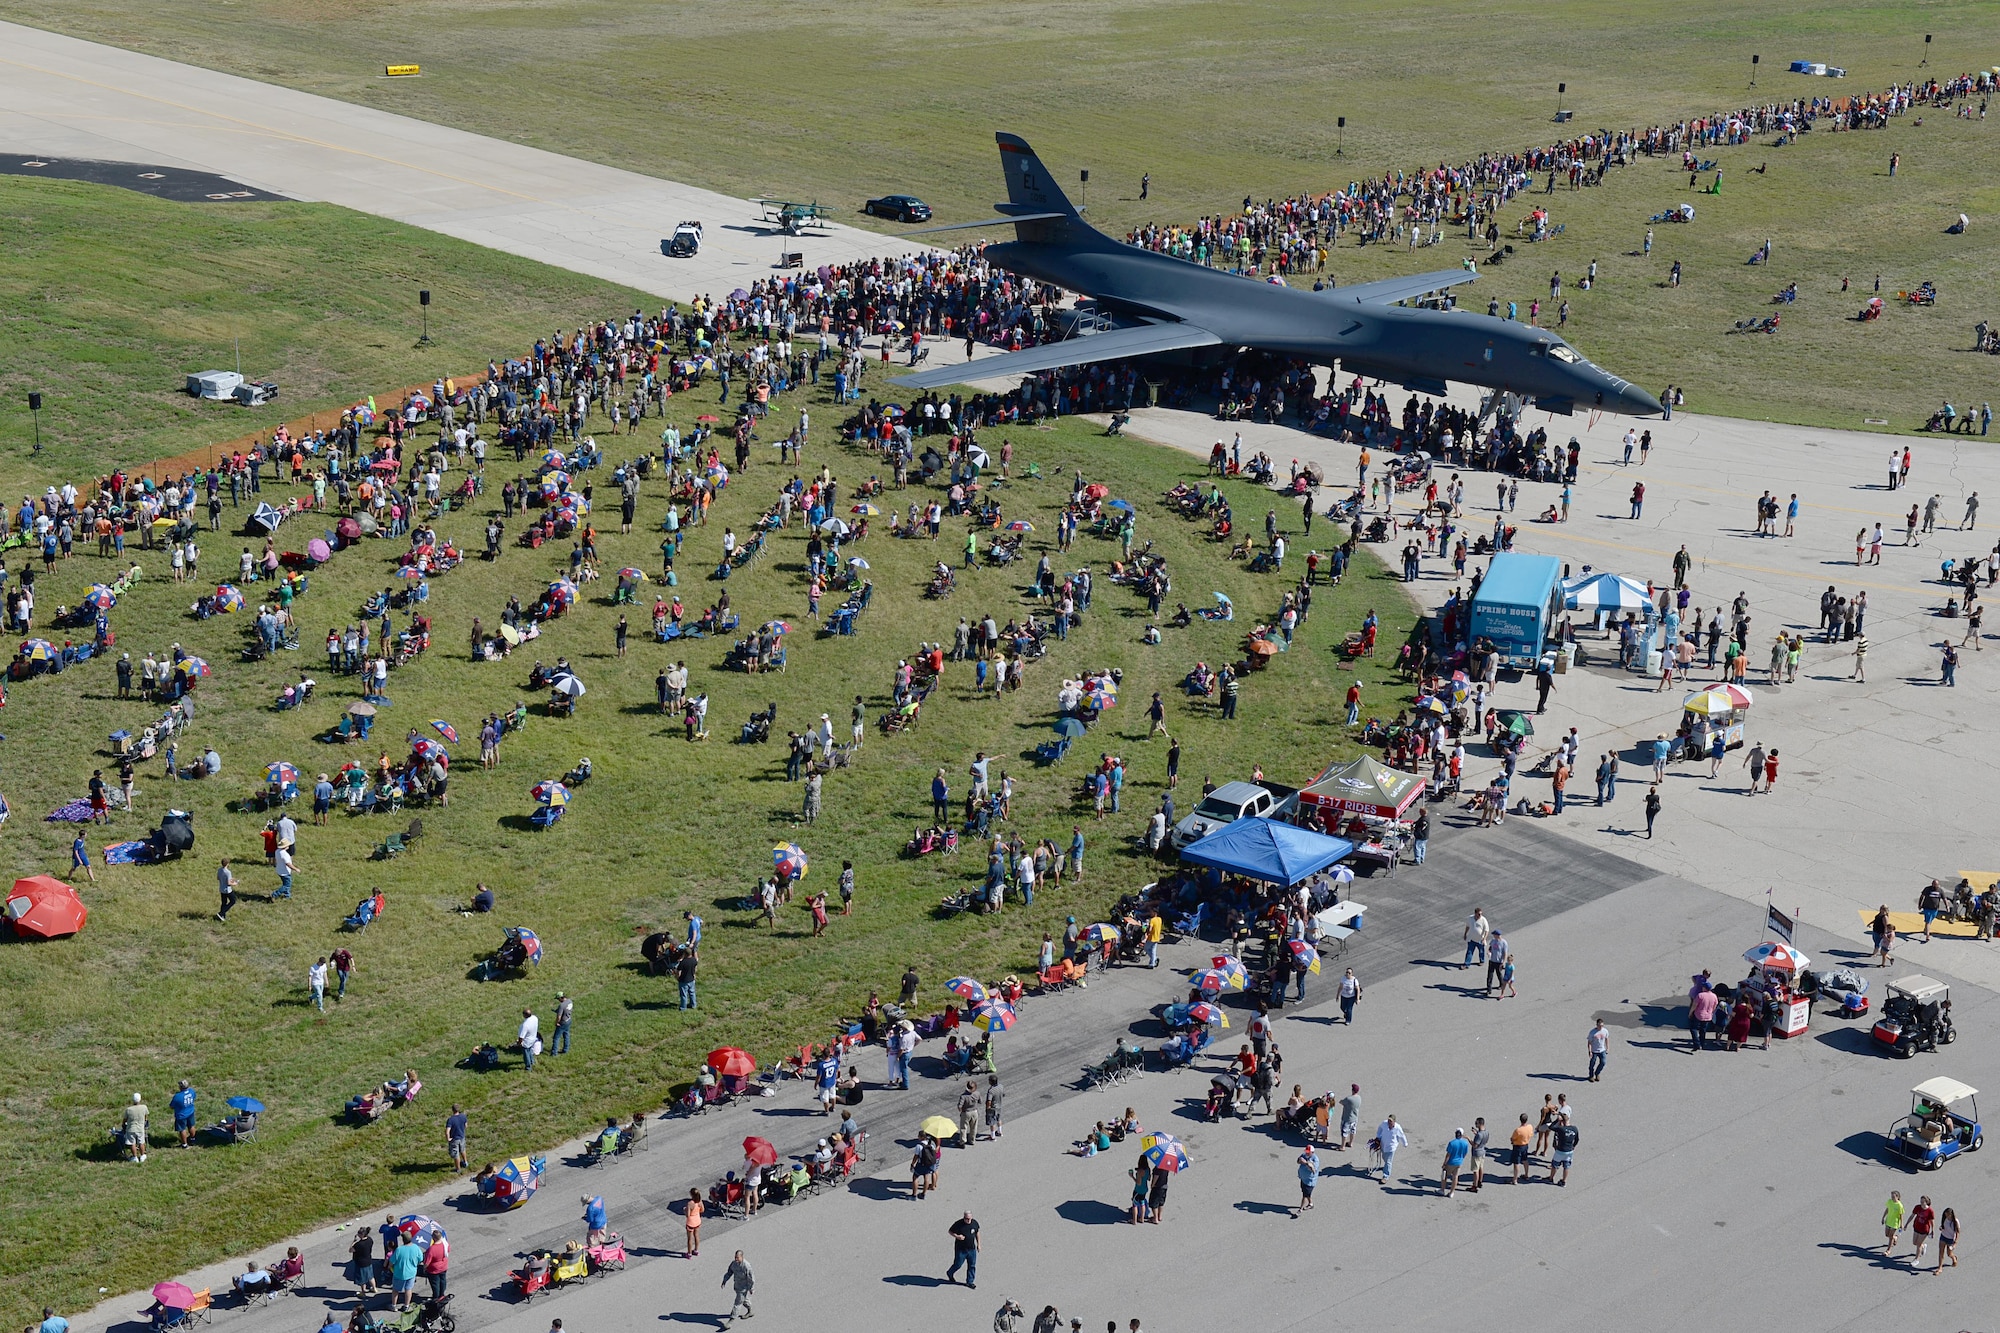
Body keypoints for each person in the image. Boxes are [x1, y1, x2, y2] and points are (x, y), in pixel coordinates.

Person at [947, 1211, 981, 1288]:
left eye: (969, 1219)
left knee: (972, 1265)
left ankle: (970, 1282)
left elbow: (977, 1233)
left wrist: (979, 1244)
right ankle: (950, 1272)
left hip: (972, 1249)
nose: (968, 1220)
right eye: (966, 1219)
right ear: (964, 1217)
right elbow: (950, 1231)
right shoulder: (958, 1224)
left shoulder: (974, 1223)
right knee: (957, 1264)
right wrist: (957, 1236)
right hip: (961, 1249)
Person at [721, 1251, 754, 1322]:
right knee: (743, 1300)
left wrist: (751, 1288)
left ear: (742, 1257)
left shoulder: (746, 1266)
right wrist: (724, 1280)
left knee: (737, 1303)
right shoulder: (734, 1264)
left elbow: (751, 1278)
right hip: (737, 1286)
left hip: (744, 1288)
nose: (736, 1259)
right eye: (735, 1257)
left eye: (737, 1257)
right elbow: (729, 1272)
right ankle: (750, 1311)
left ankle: (731, 1320)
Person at [1374, 1114, 1407, 1183]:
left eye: (1391, 1121)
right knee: (1385, 1158)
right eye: (1389, 1120)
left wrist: (1405, 1143)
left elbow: (1402, 1136)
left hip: (1391, 1148)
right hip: (1383, 1145)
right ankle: (1386, 1167)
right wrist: (1378, 1136)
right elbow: (1380, 1129)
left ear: (1394, 1121)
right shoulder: (1384, 1123)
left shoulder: (1397, 1128)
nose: (1389, 1122)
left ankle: (1385, 1176)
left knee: (1388, 1162)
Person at [1547, 1112, 1577, 1185]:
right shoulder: (1574, 1129)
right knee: (1566, 1166)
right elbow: (1577, 1139)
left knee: (1555, 1165)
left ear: (1562, 1121)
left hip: (1560, 1151)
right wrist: (1573, 1146)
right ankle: (1563, 1181)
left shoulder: (1561, 1129)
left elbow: (1550, 1127)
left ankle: (1551, 1178)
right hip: (1569, 1151)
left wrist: (1557, 1121)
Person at [1439, 1128, 1471, 1196]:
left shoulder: (1452, 1143)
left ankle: (1442, 1190)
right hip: (1459, 1163)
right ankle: (1451, 1192)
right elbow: (1465, 1153)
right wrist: (1461, 1159)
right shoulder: (1465, 1143)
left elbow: (1448, 1155)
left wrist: (1444, 1164)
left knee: (1444, 1176)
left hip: (1450, 1163)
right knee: (1455, 1177)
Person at [1296, 1144, 1321, 1212]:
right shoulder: (1304, 1155)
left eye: (1308, 1152)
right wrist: (1300, 1160)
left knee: (1304, 1195)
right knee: (1306, 1194)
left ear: (1312, 1152)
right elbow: (1298, 1161)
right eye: (1306, 1151)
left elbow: (1313, 1170)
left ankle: (1300, 1209)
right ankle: (1311, 1203)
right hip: (1303, 1178)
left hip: (1309, 1181)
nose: (1306, 1153)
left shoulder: (1315, 1160)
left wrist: (1306, 1163)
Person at [446, 1104, 468, 1170]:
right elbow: (466, 1126)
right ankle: (465, 1162)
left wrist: (448, 1138)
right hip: (462, 1137)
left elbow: (447, 1132)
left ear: (452, 1110)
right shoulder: (463, 1116)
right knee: (463, 1150)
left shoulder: (451, 1120)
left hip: (454, 1139)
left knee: (456, 1154)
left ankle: (458, 1169)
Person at [684, 1187, 704, 1257]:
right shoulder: (700, 1201)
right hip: (697, 1221)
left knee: (690, 1238)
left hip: (691, 1222)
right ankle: (696, 1250)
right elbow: (702, 1210)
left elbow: (688, 1215)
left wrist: (684, 1210)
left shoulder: (690, 1203)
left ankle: (689, 1253)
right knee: (696, 1236)